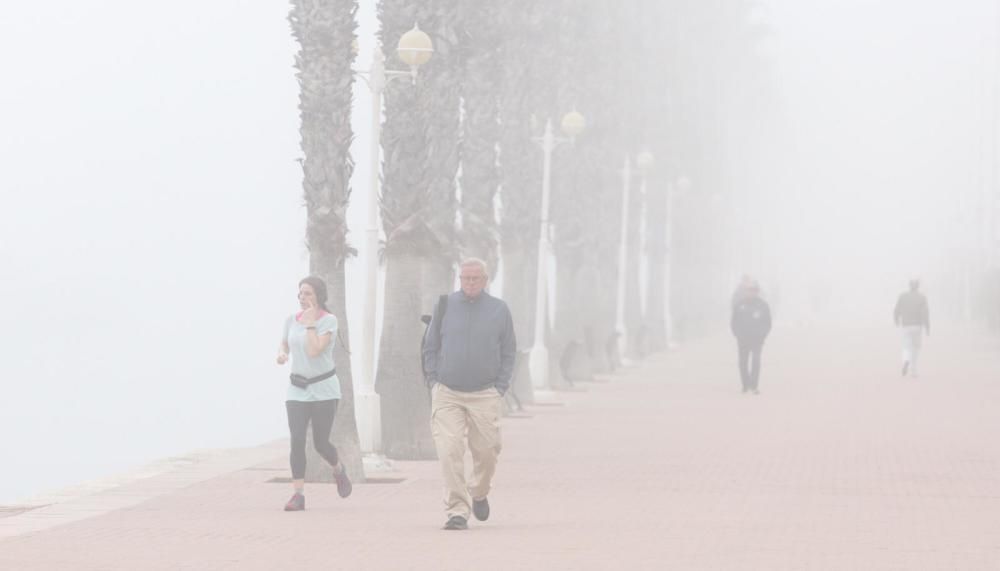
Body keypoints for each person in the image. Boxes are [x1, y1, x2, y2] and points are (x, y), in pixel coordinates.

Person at [422, 258, 516, 530]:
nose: (470, 283)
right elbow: (431, 346)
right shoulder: (445, 306)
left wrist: (500, 386)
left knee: (487, 451)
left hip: (485, 393)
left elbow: (509, 351)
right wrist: (433, 380)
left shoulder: (499, 310)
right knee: (449, 450)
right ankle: (457, 511)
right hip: (447, 392)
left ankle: (479, 492)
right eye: (465, 278)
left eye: (475, 279)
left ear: (485, 281)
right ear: (459, 279)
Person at [276, 276, 351, 511]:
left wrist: (310, 324)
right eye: (300, 294)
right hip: (297, 390)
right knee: (297, 440)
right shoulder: (290, 320)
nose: (303, 298)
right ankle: (298, 494)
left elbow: (315, 350)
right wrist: (282, 354)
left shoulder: (328, 321)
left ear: (318, 295)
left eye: (307, 293)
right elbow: (285, 343)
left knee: (320, 443)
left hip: (324, 390)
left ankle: (338, 469)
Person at [730, 280, 772, 395]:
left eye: (754, 290)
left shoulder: (763, 305)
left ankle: (754, 385)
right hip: (742, 339)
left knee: (756, 360)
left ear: (757, 292)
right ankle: (745, 384)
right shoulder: (740, 305)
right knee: (743, 362)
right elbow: (734, 322)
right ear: (746, 292)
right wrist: (738, 334)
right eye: (749, 290)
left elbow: (767, 323)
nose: (751, 293)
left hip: (757, 339)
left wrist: (762, 335)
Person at [894, 279, 930, 378]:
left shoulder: (903, 296)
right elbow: (925, 313)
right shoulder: (922, 297)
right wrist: (927, 326)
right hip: (917, 326)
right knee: (916, 348)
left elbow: (897, 309)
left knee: (906, 346)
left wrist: (896, 319)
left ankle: (906, 360)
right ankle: (913, 370)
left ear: (909, 286)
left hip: (906, 325)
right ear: (918, 286)